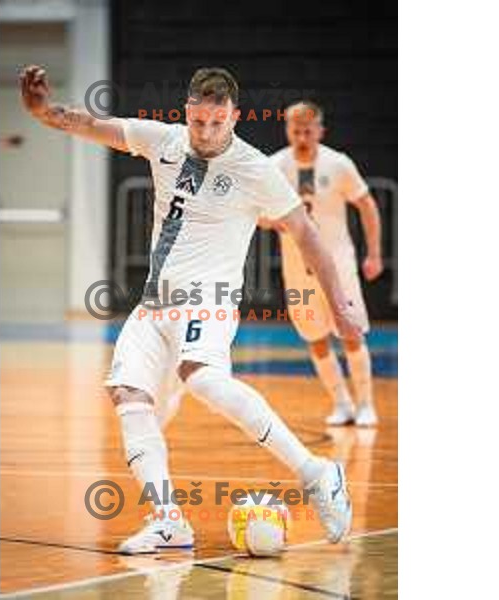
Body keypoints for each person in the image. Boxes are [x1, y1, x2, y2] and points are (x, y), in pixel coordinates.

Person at [20, 65, 361, 554]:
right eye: (198, 122)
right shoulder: (162, 140)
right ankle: (168, 522)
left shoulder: (255, 168)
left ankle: (317, 472)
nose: (205, 133)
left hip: (210, 299)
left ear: (234, 117)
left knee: (201, 376)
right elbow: (91, 124)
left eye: (217, 123)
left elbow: (306, 233)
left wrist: (341, 303)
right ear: (187, 114)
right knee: (128, 395)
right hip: (155, 303)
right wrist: (42, 113)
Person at [265, 101, 383, 427]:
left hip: (339, 266)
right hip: (297, 269)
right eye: (296, 130)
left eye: (308, 130)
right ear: (287, 130)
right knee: (314, 336)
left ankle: (366, 405)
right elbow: (258, 215)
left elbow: (367, 204)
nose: (302, 136)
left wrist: (373, 253)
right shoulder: (274, 166)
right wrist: (277, 221)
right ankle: (342, 403)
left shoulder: (338, 163)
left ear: (320, 130)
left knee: (351, 330)